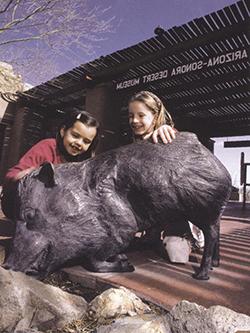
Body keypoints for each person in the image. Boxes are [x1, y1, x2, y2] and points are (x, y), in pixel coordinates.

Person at [127, 90, 203, 251]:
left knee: (176, 252)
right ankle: (152, 233)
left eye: (141, 115)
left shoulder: (168, 136)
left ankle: (191, 237)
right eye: (131, 115)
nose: (134, 120)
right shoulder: (135, 146)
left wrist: (168, 132)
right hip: (153, 214)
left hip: (180, 216)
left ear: (155, 116)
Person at [1, 110, 99, 219]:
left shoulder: (83, 163)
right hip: (21, 205)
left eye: (86, 141)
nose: (79, 143)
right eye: (75, 135)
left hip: (55, 211)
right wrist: (31, 173)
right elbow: (11, 176)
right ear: (63, 131)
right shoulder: (47, 147)